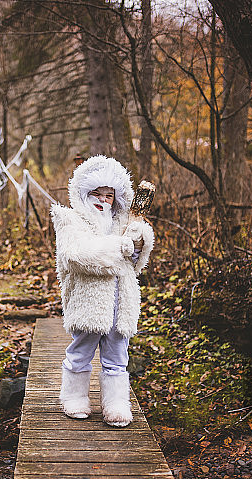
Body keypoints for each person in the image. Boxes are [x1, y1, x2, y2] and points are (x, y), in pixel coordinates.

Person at [50, 155, 155, 427]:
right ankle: (74, 397)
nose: (102, 200)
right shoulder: (69, 220)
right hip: (88, 303)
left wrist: (138, 240)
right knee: (81, 351)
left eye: (109, 195)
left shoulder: (123, 223)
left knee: (118, 356)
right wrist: (116, 248)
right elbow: (75, 255)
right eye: (97, 193)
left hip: (121, 303)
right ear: (84, 193)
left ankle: (117, 404)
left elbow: (134, 264)